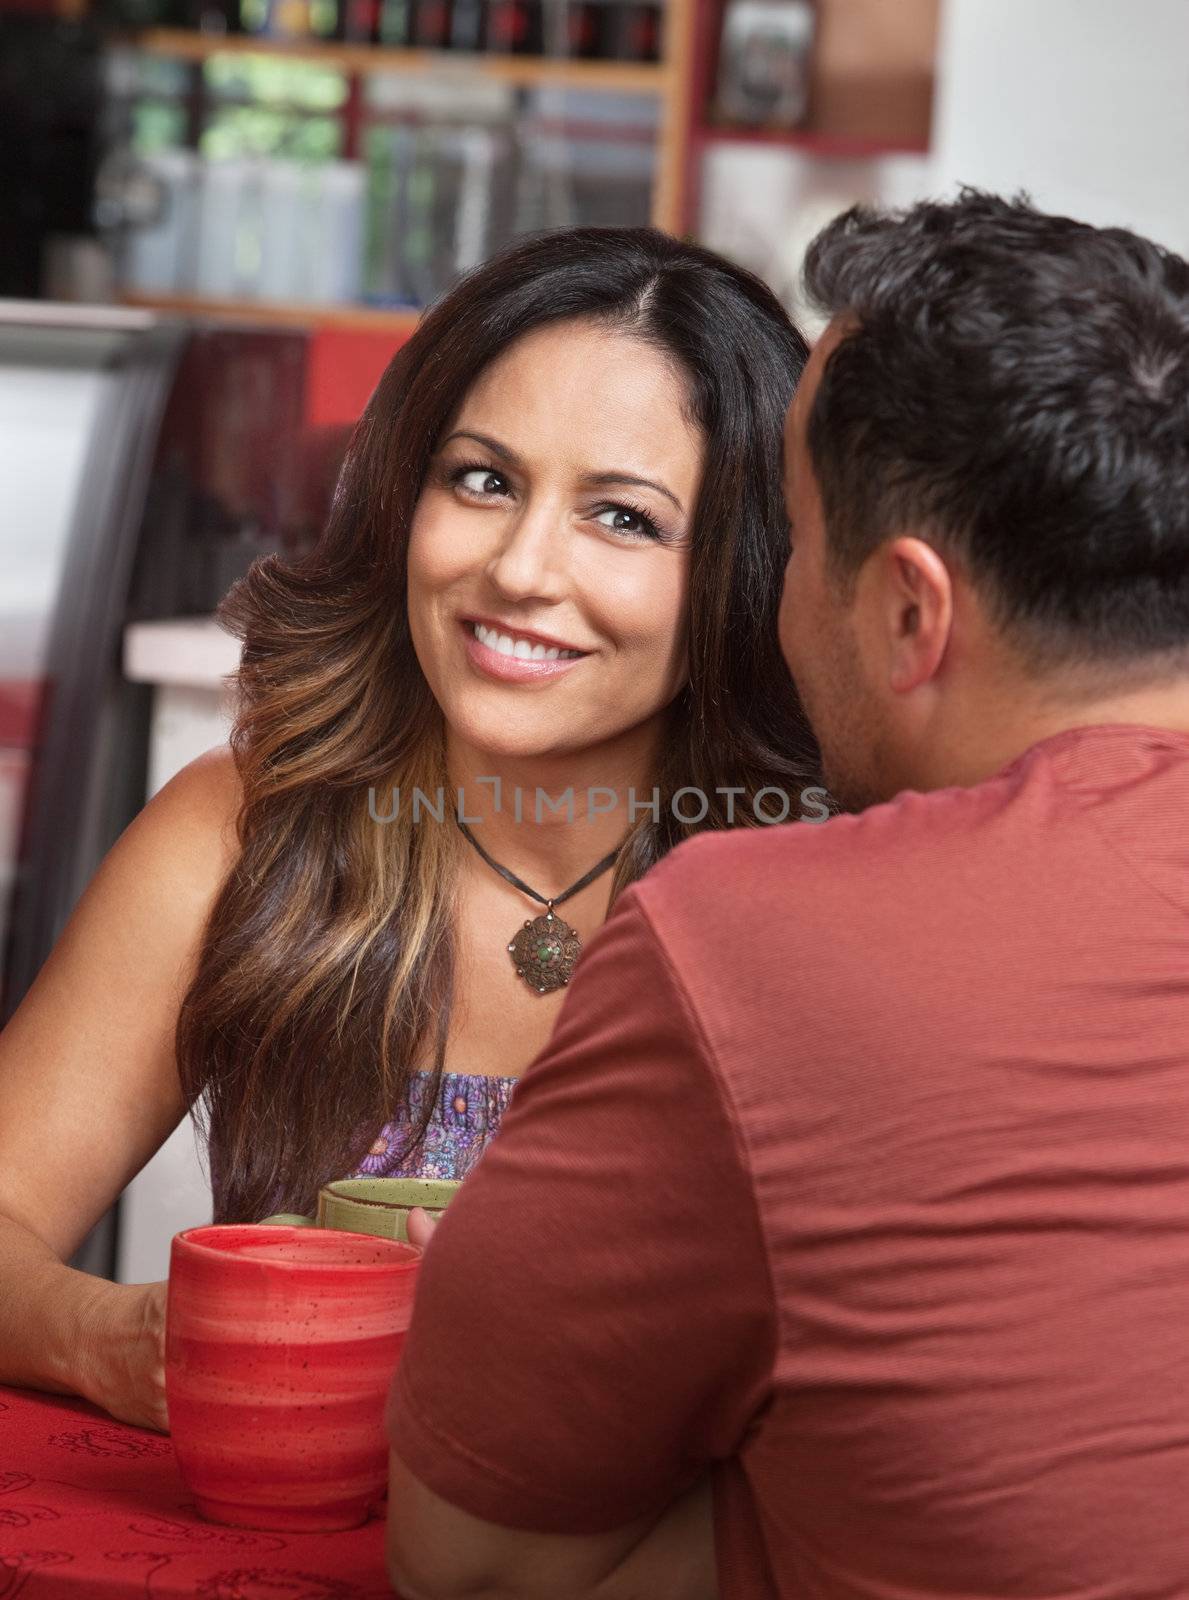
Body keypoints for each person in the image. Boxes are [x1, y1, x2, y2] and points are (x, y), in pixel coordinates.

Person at [384, 191, 1189, 1600]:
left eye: (799, 539)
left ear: (907, 613)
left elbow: (476, 1569)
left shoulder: (757, 933)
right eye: (482, 479)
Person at [0, 227, 821, 1433]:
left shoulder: (813, 894)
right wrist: (107, 1335)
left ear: (742, 575)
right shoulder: (243, 830)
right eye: (481, 479)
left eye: (623, 519)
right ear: (404, 496)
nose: (520, 569)